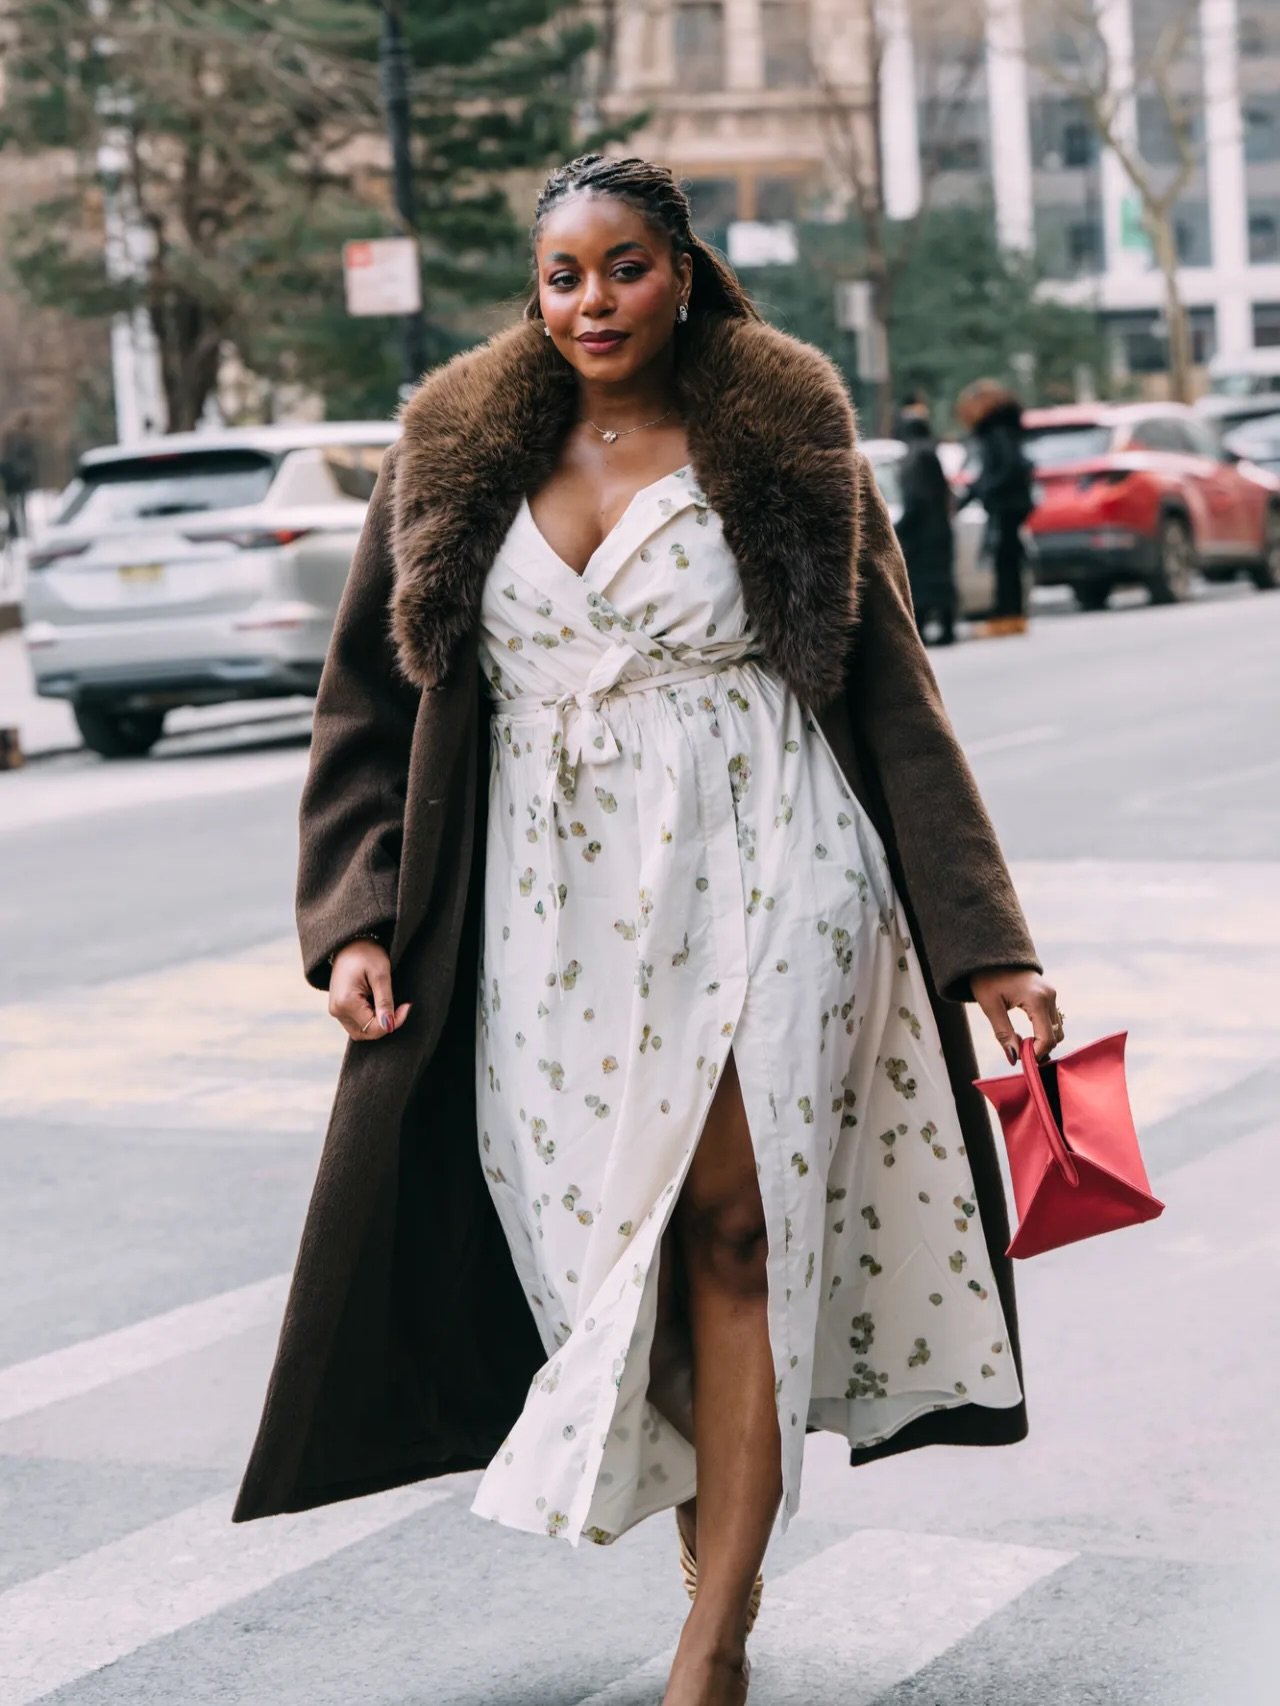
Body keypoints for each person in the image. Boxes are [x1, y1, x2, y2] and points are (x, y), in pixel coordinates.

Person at [233, 156, 1063, 1706]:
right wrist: (354, 916)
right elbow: (366, 709)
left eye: (625, 267)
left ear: (682, 270)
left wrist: (986, 941)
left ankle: (714, 1639)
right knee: (628, 1250)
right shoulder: (451, 453)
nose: (594, 301)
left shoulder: (784, 436)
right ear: (536, 291)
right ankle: (714, 1549)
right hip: (550, 911)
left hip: (771, 858)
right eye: (565, 275)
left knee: (739, 1230)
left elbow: (895, 694)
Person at [955, 378, 1036, 635]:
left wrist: (984, 489)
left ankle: (1008, 615)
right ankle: (1011, 614)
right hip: (1011, 501)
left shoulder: (996, 430)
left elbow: (1004, 468)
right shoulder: (1005, 428)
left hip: (1006, 503)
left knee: (1005, 560)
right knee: (1007, 559)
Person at [895, 413, 958, 645]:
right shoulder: (929, 453)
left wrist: (901, 527)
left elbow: (915, 498)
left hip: (922, 534)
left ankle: (922, 630)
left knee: (921, 584)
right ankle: (946, 628)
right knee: (940, 582)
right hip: (938, 529)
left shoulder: (916, 457)